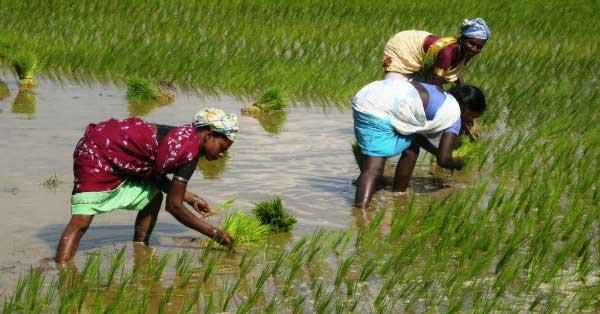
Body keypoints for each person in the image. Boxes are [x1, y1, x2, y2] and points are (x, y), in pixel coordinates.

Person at [55, 108, 238, 263]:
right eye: (222, 147)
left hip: (114, 155)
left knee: (152, 197)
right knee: (81, 221)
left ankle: (140, 247)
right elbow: (174, 206)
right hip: (97, 153)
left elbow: (154, 175)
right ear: (209, 136)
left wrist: (191, 198)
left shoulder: (184, 137)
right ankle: (62, 268)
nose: (222, 154)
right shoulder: (189, 152)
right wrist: (215, 233)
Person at [352, 78, 486, 209]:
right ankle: (361, 216)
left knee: (411, 147)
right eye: (473, 117)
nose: (470, 122)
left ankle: (398, 193)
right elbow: (444, 160)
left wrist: (435, 151)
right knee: (374, 168)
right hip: (378, 108)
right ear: (468, 110)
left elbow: (415, 137)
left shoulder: (440, 95)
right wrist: (458, 163)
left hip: (370, 94)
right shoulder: (454, 115)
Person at [382, 18, 491, 88]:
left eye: (479, 47)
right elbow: (436, 85)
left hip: (422, 51)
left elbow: (457, 74)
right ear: (462, 39)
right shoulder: (447, 52)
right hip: (404, 46)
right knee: (394, 86)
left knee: (421, 83)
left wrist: (463, 93)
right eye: (472, 43)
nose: (474, 49)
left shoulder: (465, 52)